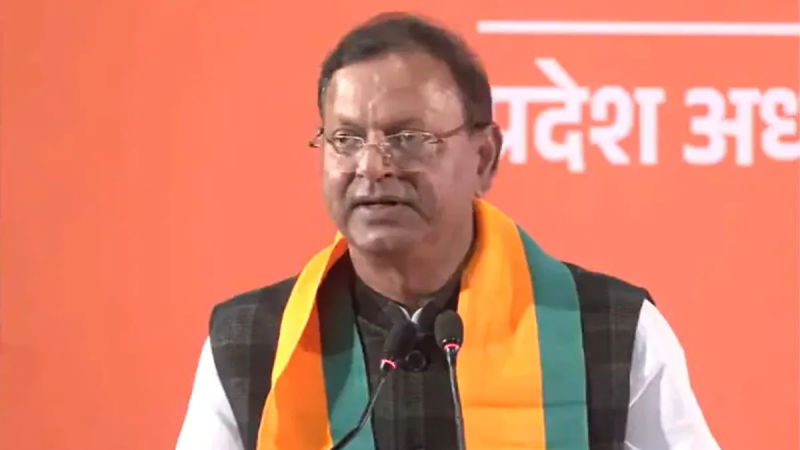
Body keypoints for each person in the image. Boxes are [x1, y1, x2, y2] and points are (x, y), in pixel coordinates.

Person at [176, 12, 719, 450]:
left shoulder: (609, 331)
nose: (371, 166)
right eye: (345, 139)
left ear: (484, 158)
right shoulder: (252, 343)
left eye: (407, 138)